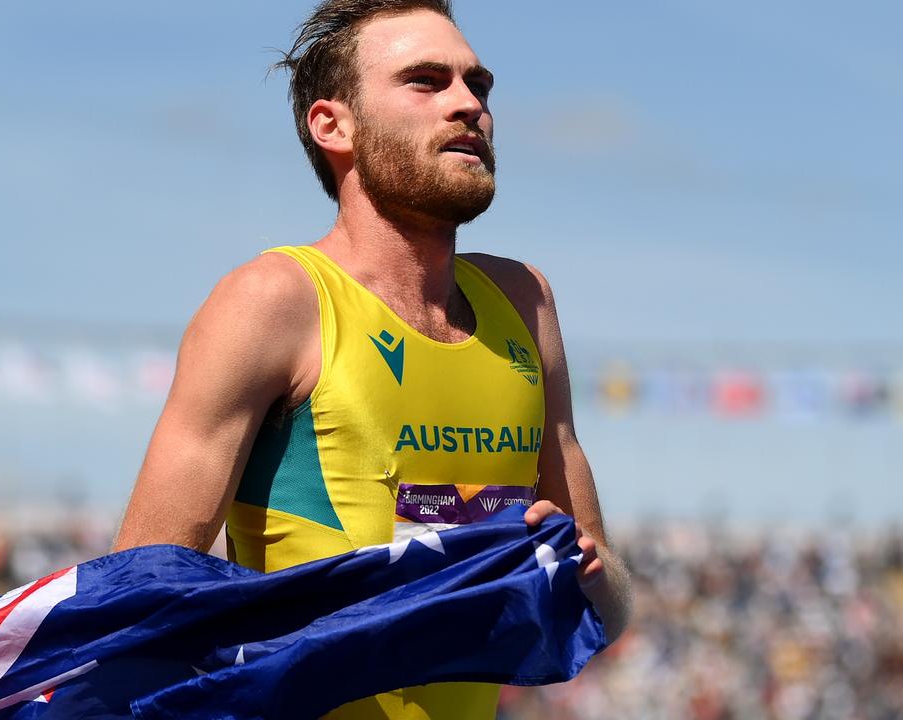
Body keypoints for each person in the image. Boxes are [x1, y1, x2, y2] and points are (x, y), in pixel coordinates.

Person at [112, 0, 632, 717]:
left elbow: (612, 598)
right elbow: (133, 603)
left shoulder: (526, 303)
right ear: (334, 125)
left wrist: (590, 576)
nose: (468, 106)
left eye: (477, 85)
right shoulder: (272, 303)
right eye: (426, 81)